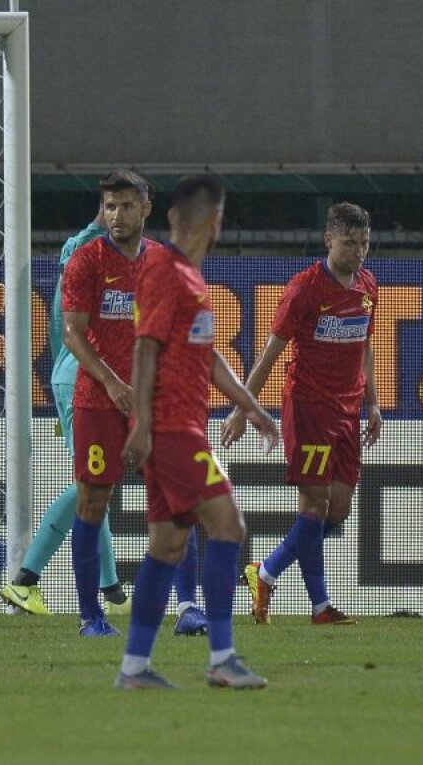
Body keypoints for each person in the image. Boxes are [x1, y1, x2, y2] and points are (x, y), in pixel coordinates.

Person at [0, 174, 206, 637]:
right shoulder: (85, 259)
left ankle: (189, 606)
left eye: (127, 206)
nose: (118, 216)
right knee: (93, 498)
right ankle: (91, 614)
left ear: (146, 208)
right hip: (96, 396)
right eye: (110, 206)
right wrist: (113, 383)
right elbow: (73, 332)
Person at [117, 174, 279, 690]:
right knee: (228, 526)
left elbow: (206, 360)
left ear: (171, 217)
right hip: (171, 429)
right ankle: (222, 658)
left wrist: (252, 408)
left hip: (177, 427)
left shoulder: (187, 276)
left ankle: (134, 668)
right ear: (217, 221)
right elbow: (145, 349)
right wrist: (142, 425)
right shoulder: (167, 272)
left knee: (167, 546)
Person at [222, 202, 380, 626]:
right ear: (329, 239)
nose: (359, 252)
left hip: (349, 409)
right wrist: (243, 409)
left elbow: (364, 344)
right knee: (314, 504)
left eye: (364, 243)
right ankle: (320, 606)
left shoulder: (368, 285)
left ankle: (267, 571)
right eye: (350, 243)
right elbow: (269, 355)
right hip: (310, 406)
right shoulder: (304, 289)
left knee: (339, 509)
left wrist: (373, 403)